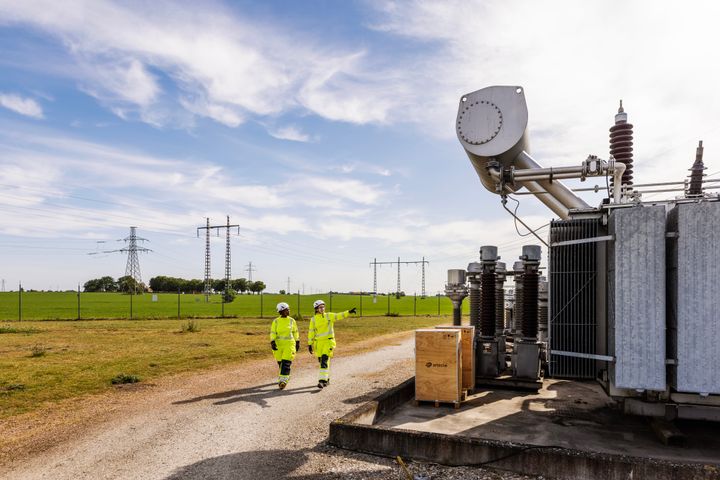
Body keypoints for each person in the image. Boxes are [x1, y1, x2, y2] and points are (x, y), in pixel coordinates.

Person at [307, 299, 357, 389]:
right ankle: (327, 379)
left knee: (324, 361)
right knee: (322, 361)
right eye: (320, 307)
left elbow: (339, 316)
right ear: (316, 309)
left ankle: (321, 381)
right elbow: (311, 332)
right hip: (318, 344)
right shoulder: (313, 320)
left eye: (323, 306)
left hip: (329, 342)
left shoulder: (328, 316)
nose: (322, 308)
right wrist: (310, 344)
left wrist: (348, 312)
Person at [270, 302, 300, 390]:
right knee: (280, 363)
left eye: (289, 309)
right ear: (281, 311)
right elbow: (273, 332)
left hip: (289, 344)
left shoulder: (292, 320)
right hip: (279, 345)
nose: (289, 311)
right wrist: (272, 341)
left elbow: (295, 331)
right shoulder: (276, 321)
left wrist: (297, 341)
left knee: (286, 363)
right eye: (287, 309)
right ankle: (285, 376)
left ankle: (283, 381)